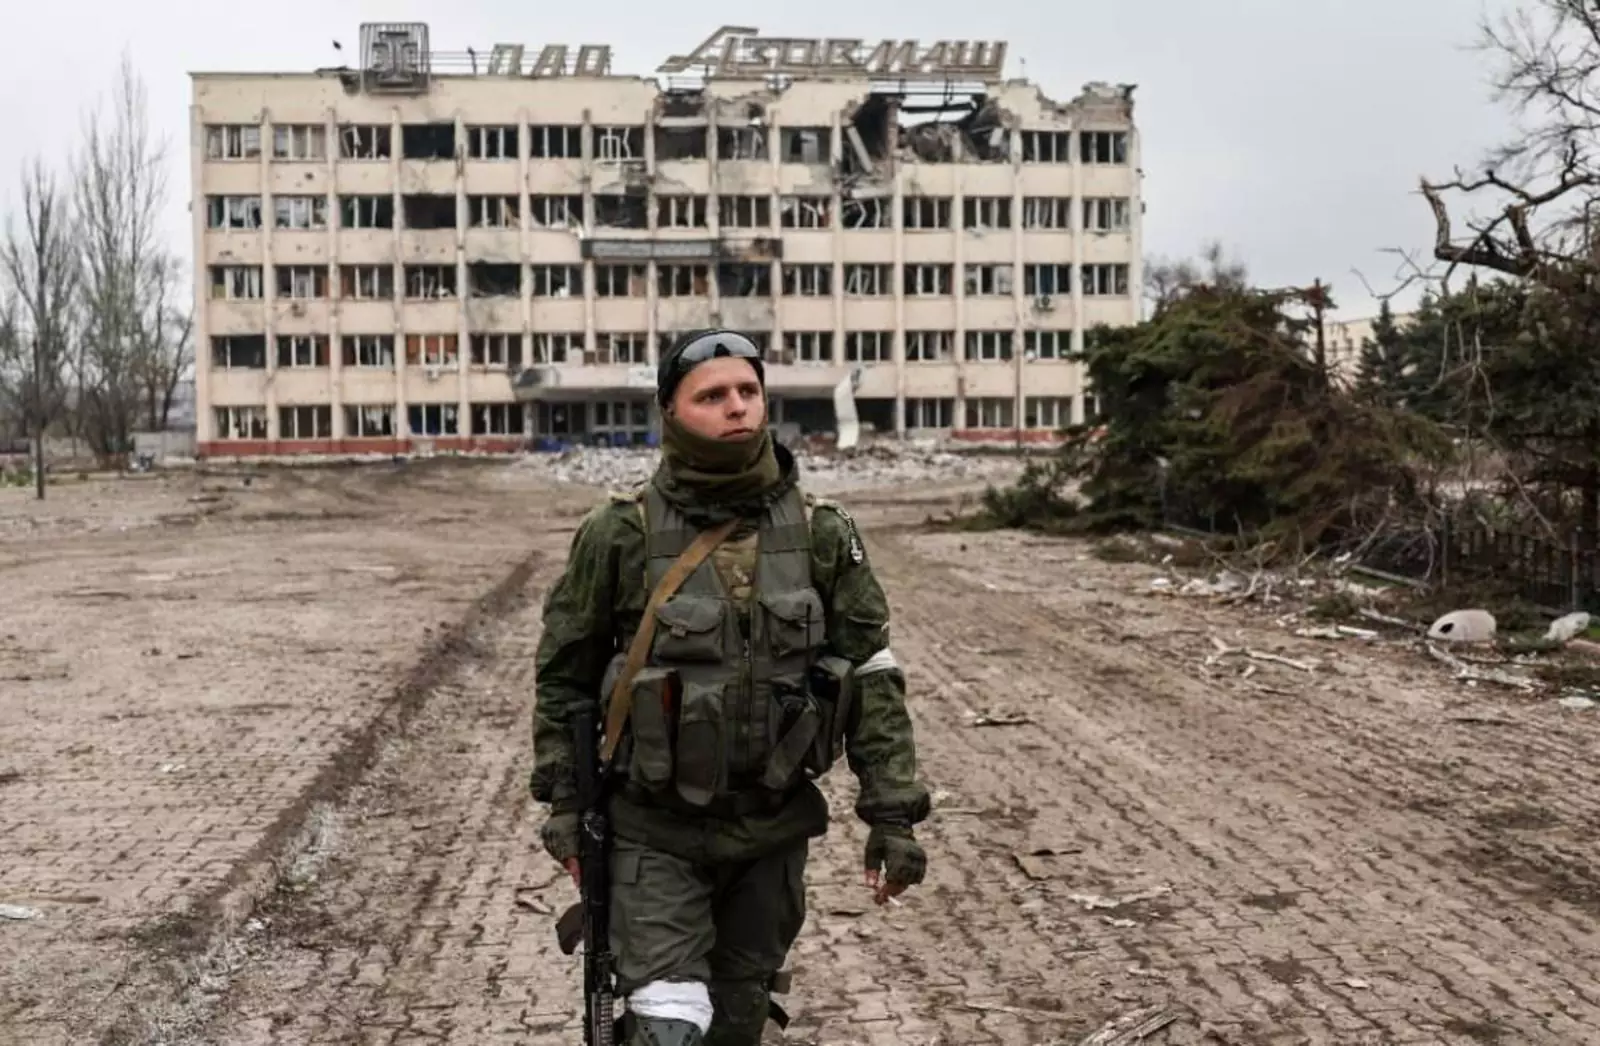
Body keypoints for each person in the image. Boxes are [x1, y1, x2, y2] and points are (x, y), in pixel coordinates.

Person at [530, 328, 931, 1046]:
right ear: (671, 411)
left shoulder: (822, 532)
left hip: (770, 834)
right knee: (669, 1026)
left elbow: (871, 674)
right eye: (712, 395)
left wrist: (892, 816)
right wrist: (565, 804)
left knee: (738, 1023)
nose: (737, 407)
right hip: (654, 830)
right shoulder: (618, 532)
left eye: (748, 390)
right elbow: (566, 676)